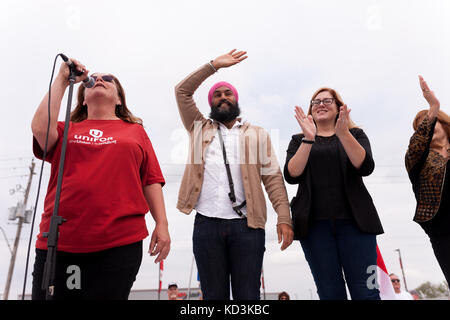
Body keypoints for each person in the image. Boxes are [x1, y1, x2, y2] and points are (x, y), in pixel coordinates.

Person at [30, 58, 170, 299]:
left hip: (119, 241)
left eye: (110, 79)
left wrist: (162, 223)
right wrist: (63, 79)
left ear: (119, 100)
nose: (102, 80)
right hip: (61, 241)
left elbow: (150, 179)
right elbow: (40, 130)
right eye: (97, 78)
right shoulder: (66, 129)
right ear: (83, 98)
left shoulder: (135, 132)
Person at [174, 49, 294, 300]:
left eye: (228, 93)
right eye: (217, 95)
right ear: (211, 103)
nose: (222, 97)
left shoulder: (257, 134)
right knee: (213, 296)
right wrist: (213, 66)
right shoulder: (198, 127)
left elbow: (272, 178)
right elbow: (182, 91)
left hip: (248, 227)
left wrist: (284, 216)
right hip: (206, 224)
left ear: (236, 100)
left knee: (247, 296)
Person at [284, 87, 383, 300]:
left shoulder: (355, 134)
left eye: (327, 100)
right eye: (315, 101)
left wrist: (343, 134)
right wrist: (309, 138)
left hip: (357, 227)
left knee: (367, 291)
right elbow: (292, 174)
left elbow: (364, 166)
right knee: (330, 293)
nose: (321, 104)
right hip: (315, 229)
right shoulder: (298, 139)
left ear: (339, 107)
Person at [405, 75, 450, 284]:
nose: (425, 128)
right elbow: (417, 144)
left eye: (430, 122)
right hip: (443, 231)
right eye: (421, 126)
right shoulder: (417, 160)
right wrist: (433, 107)